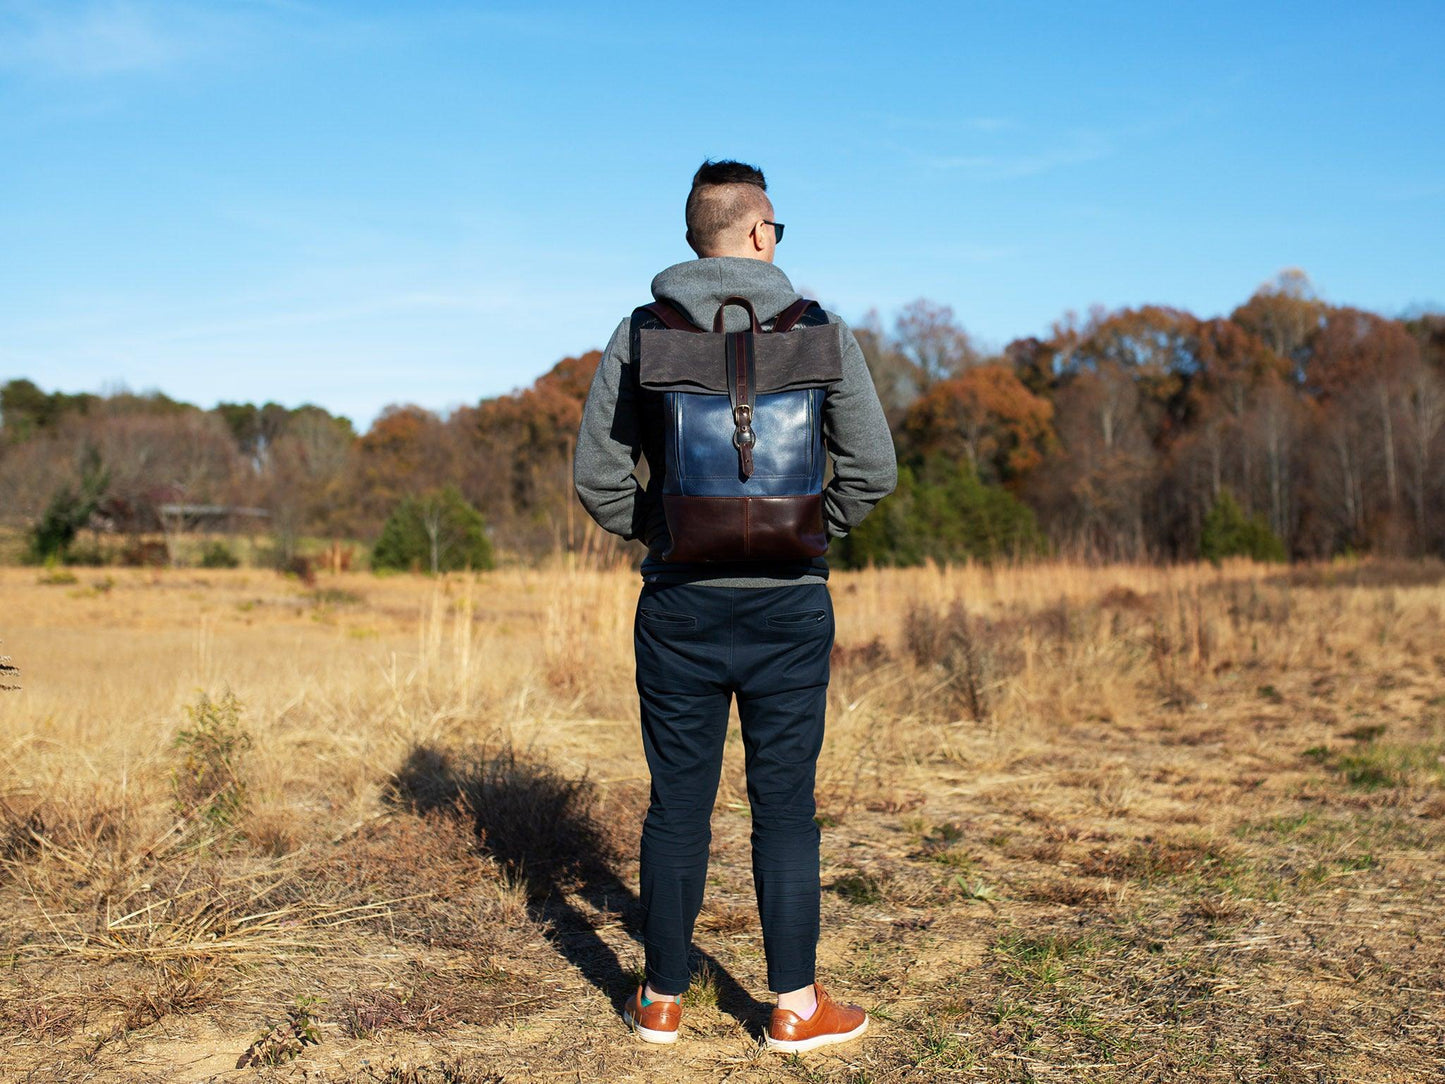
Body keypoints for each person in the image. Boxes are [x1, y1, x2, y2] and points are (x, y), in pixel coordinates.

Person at [572, 159, 897, 1051]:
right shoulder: (822, 332)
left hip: (678, 606)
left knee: (677, 804)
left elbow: (598, 476)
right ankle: (793, 1007)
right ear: (759, 234)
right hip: (790, 607)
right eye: (777, 228)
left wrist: (670, 534)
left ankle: (662, 1004)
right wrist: (803, 534)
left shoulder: (640, 332)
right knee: (784, 805)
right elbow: (872, 472)